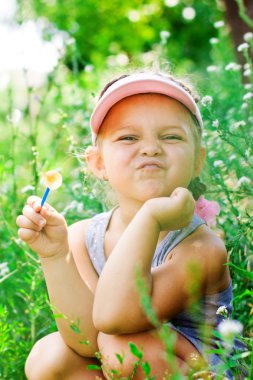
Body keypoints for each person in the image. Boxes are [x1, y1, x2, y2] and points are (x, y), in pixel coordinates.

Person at [16, 71, 233, 380]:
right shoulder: (83, 238)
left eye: (171, 136)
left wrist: (151, 217)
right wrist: (55, 255)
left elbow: (114, 320)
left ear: (198, 160)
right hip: (123, 358)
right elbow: (87, 339)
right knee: (48, 357)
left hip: (201, 371)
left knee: (124, 349)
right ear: (98, 163)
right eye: (128, 137)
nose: (150, 148)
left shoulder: (201, 248)